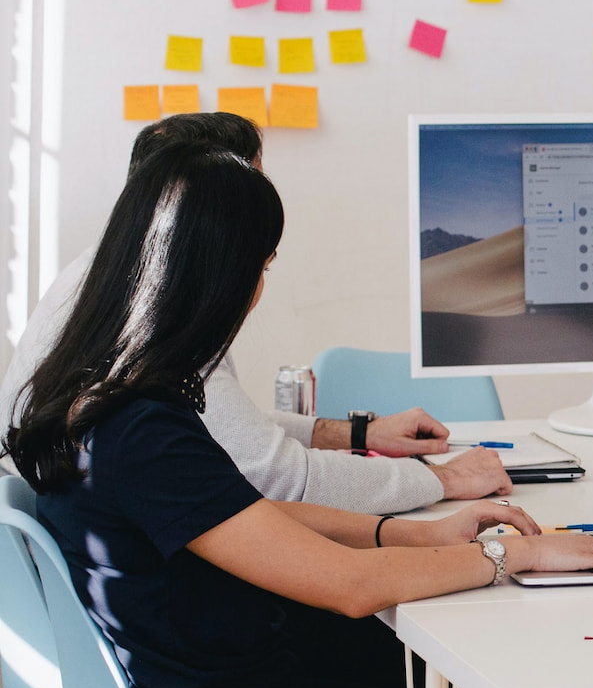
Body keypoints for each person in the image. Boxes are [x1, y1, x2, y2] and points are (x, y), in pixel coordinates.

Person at [4, 142, 593, 688]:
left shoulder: (97, 396)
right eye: (260, 266)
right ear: (219, 275)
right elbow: (349, 587)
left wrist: (419, 534)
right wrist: (515, 555)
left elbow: (241, 517)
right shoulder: (142, 428)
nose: (259, 290)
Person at [0, 112, 508, 516]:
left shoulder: (104, 279)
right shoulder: (156, 315)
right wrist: (443, 481)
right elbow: (279, 479)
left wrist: (361, 435)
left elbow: (215, 430)